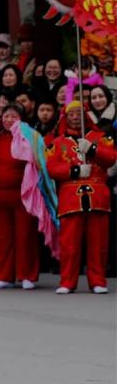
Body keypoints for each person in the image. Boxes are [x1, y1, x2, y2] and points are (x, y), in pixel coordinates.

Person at [0, 104, 53, 289]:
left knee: (25, 236)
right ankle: (4, 276)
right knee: (2, 237)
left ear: (22, 119)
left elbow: (39, 164)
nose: (8, 120)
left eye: (13, 117)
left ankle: (27, 275)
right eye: (6, 116)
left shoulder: (30, 137)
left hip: (23, 197)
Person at [47, 101, 116, 294]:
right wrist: (74, 170)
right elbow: (52, 167)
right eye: (71, 114)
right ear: (65, 118)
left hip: (98, 195)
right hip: (70, 197)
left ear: (86, 115)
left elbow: (111, 158)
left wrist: (93, 149)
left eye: (79, 113)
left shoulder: (101, 137)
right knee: (69, 244)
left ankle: (98, 281)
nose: (76, 117)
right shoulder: (57, 142)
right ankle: (67, 282)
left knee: (98, 243)